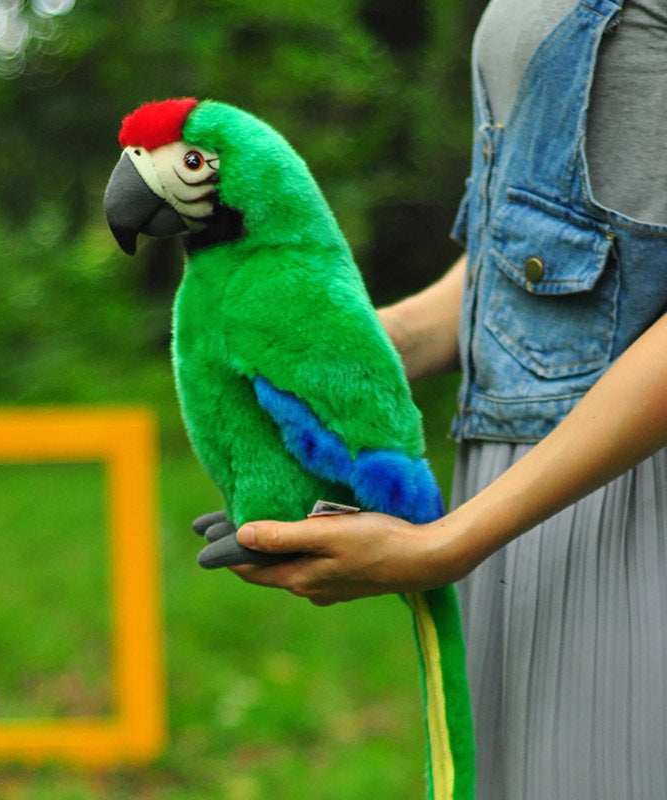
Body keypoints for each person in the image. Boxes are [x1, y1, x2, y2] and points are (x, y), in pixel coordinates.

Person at [228, 1, 667, 796]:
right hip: (522, 501)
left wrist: (448, 543)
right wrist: (366, 350)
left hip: (635, 507)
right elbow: (550, 252)